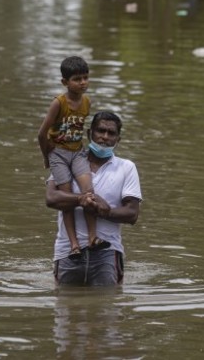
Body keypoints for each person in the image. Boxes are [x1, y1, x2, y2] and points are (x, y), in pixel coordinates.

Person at [45, 111, 142, 286]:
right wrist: (83, 199)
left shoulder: (126, 167)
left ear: (118, 139)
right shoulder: (67, 160)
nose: (104, 137)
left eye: (111, 133)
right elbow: (51, 198)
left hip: (107, 251)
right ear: (90, 133)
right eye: (100, 131)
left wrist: (104, 210)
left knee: (107, 310)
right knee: (66, 309)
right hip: (68, 251)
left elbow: (132, 213)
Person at [37, 56, 109, 260]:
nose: (83, 83)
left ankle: (92, 238)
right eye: (77, 79)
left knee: (89, 192)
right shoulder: (58, 103)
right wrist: (46, 157)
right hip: (58, 153)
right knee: (66, 200)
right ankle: (74, 245)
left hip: (77, 152)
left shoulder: (86, 102)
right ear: (65, 82)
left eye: (85, 78)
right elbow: (41, 134)